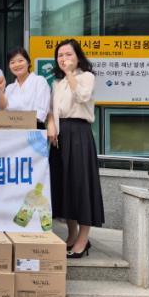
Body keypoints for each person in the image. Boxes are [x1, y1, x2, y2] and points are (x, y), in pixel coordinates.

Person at [46, 38, 104, 258]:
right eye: (60, 56)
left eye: (68, 54)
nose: (64, 59)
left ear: (78, 57)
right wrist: (51, 126)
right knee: (64, 185)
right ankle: (71, 235)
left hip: (79, 133)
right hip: (60, 137)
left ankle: (83, 239)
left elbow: (82, 96)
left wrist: (71, 73)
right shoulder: (57, 83)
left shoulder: (86, 77)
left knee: (80, 185)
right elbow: (52, 110)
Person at [0, 47, 51, 129]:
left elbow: (41, 112)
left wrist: (19, 121)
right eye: (12, 62)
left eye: (20, 61)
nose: (17, 65)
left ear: (28, 62)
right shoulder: (10, 87)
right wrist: (0, 91)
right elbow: (3, 110)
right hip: (12, 130)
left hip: (34, 128)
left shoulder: (39, 81)